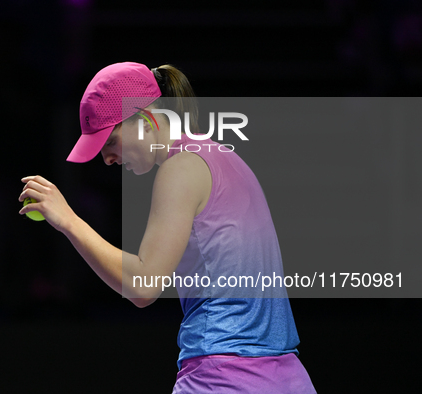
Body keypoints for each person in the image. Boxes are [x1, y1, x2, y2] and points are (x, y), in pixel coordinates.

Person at [18, 62, 316, 393]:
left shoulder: (179, 169)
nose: (107, 159)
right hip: (288, 377)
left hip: (223, 377)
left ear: (145, 119)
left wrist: (68, 221)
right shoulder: (227, 159)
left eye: (110, 141)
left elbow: (142, 286)